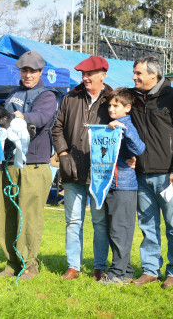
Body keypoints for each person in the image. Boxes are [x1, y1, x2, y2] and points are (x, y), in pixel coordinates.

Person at [129, 55, 173, 289]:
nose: (134, 76)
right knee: (147, 226)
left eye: (138, 73)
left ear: (153, 75)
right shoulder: (132, 98)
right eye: (134, 72)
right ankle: (150, 270)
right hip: (141, 174)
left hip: (169, 176)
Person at [0, 51, 58, 280]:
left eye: (32, 71)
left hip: (34, 164)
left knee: (29, 216)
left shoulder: (47, 95)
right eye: (24, 70)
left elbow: (41, 118)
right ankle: (12, 264)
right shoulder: (13, 94)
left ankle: (29, 264)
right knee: (7, 214)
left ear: (40, 72)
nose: (28, 75)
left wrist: (22, 117)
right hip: (9, 162)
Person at [51, 55, 113, 281]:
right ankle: (73, 266)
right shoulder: (70, 97)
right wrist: (63, 153)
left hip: (100, 171)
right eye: (83, 74)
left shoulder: (112, 99)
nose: (85, 78)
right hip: (72, 169)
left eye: (89, 74)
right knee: (73, 221)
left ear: (103, 75)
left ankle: (99, 266)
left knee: (99, 221)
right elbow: (56, 128)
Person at [99, 88, 146, 284]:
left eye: (115, 105)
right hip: (112, 183)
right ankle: (126, 271)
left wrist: (124, 130)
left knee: (120, 230)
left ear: (127, 108)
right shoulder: (111, 125)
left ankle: (116, 273)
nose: (111, 109)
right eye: (109, 105)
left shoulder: (126, 124)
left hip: (124, 184)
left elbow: (139, 148)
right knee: (114, 229)